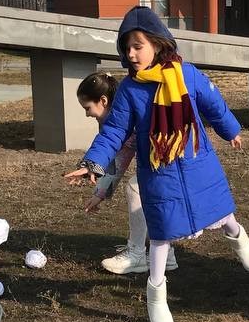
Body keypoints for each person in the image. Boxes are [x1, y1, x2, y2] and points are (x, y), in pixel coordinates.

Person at [65, 7, 249, 322]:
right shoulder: (130, 90)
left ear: (156, 43)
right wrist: (93, 163)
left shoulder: (186, 74)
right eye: (126, 47)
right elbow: (114, 131)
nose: (131, 53)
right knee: (160, 236)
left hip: (198, 163)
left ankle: (240, 239)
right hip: (159, 173)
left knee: (222, 214)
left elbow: (214, 102)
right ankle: (156, 297)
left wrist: (231, 130)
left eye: (137, 45)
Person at [71, 71, 175, 276]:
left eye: (88, 108)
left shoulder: (132, 118)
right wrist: (99, 193)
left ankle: (136, 254)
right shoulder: (119, 126)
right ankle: (167, 255)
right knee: (146, 195)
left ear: (103, 100)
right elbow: (119, 160)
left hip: (175, 163)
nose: (87, 114)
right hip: (163, 165)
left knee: (136, 188)